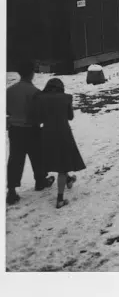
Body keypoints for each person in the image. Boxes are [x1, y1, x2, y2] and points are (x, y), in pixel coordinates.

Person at [6, 61, 53, 205]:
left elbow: (7, 110)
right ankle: (40, 180)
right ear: (32, 73)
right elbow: (39, 113)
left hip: (15, 128)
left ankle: (12, 190)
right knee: (37, 154)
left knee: (15, 158)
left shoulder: (10, 90)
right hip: (31, 128)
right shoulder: (34, 92)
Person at [34, 78, 85, 209]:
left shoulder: (41, 98)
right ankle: (60, 199)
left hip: (46, 133)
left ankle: (68, 180)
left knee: (56, 160)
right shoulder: (66, 97)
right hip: (63, 132)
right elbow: (70, 117)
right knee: (63, 165)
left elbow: (38, 118)